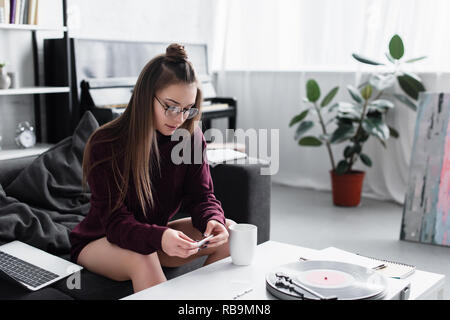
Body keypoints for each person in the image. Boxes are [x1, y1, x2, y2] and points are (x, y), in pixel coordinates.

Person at [69, 43, 235, 293]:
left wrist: (214, 219)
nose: (179, 118)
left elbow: (202, 196)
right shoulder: (106, 143)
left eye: (187, 109)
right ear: (146, 96)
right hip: (101, 239)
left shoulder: (189, 137)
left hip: (150, 234)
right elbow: (115, 223)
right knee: (142, 256)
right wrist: (159, 238)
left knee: (229, 233)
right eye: (170, 106)